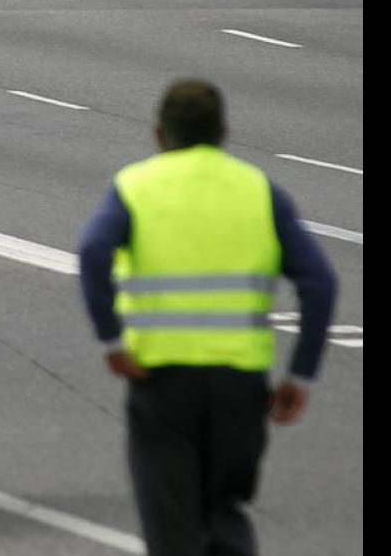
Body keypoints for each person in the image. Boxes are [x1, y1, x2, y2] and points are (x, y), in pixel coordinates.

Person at [77, 79, 337, 556]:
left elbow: (93, 252)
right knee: (223, 513)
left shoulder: (136, 186)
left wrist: (112, 343)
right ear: (224, 132)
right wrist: (299, 374)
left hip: (162, 381)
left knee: (171, 521)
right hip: (239, 385)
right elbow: (320, 283)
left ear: (159, 135)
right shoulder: (259, 191)